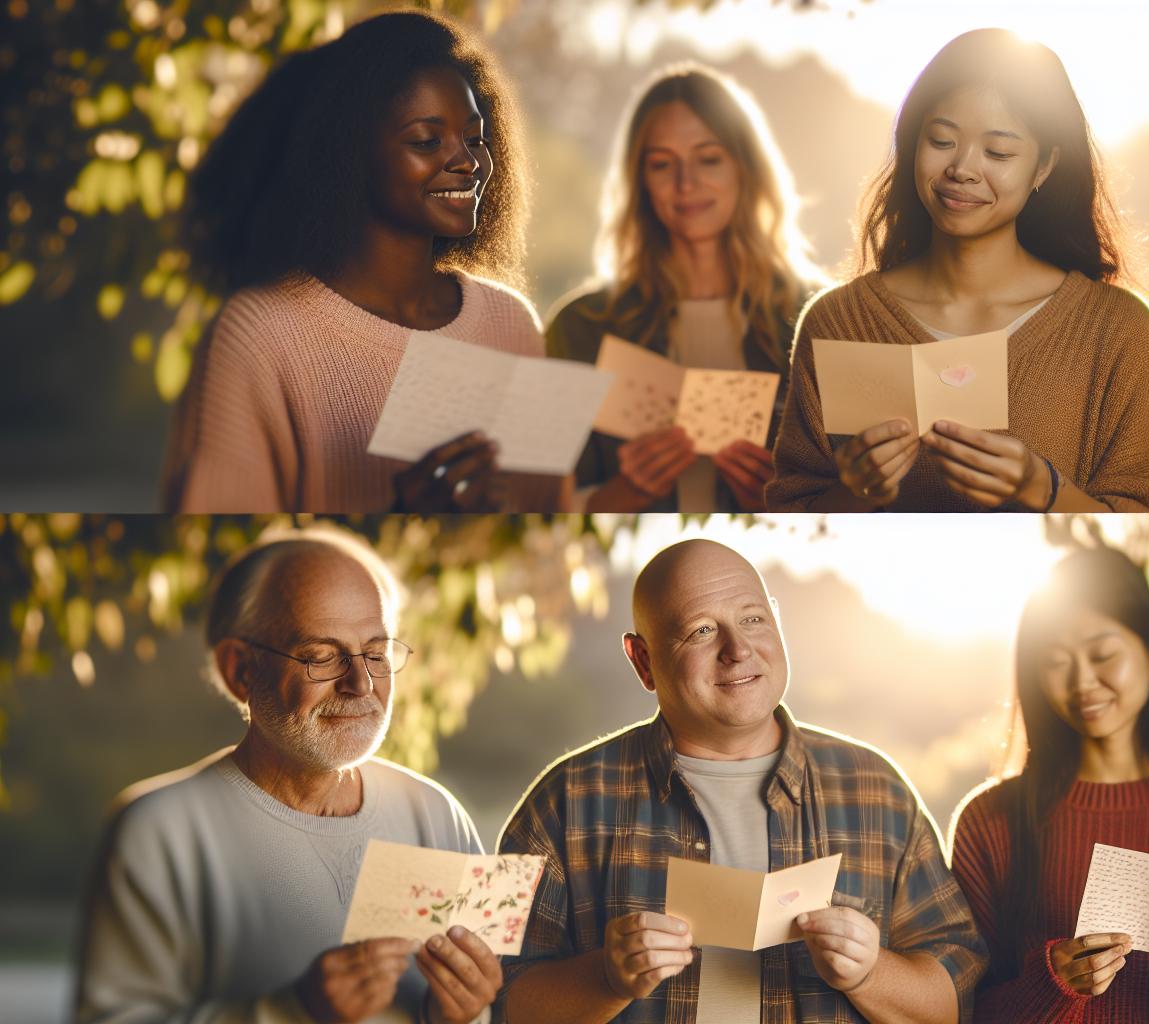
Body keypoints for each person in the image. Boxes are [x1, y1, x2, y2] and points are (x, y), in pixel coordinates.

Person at [496, 539, 986, 1022]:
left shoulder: (878, 792)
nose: (738, 649)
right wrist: (606, 978)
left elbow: (959, 994)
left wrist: (871, 974)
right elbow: (495, 999)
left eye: (753, 620)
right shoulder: (563, 800)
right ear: (643, 661)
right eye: (701, 631)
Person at [75, 530, 501, 1023]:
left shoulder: (434, 813)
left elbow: (492, 1006)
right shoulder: (159, 830)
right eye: (321, 656)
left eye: (376, 653)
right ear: (240, 670)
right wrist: (293, 1011)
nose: (360, 683)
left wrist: (460, 1014)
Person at [162, 10, 564, 513]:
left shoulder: (511, 323)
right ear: (348, 154)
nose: (468, 161)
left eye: (476, 138)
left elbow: (550, 506)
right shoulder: (259, 335)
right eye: (426, 140)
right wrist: (400, 513)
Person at [767, 29, 1149, 512]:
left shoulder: (1118, 330)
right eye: (941, 140)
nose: (962, 168)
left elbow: (1146, 513)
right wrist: (853, 491)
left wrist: (1042, 487)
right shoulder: (837, 322)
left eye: (998, 152)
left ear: (1044, 167)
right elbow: (792, 508)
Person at [949, 547, 1149, 1022]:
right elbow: (959, 1009)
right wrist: (1052, 987)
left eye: (1103, 655)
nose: (1082, 681)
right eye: (1055, 662)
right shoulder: (990, 821)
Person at [545, 66, 825, 513]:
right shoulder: (580, 328)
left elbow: (861, 497)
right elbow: (539, 503)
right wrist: (624, 494)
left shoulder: (821, 320)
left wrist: (785, 506)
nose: (686, 183)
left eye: (708, 158)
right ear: (640, 181)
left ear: (746, 168)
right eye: (661, 164)